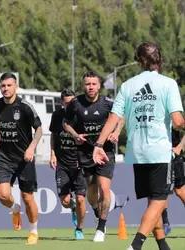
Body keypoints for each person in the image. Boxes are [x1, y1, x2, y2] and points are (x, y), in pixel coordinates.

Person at [92, 42, 184, 250]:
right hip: (159, 152)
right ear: (159, 59)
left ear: (139, 61)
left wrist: (98, 144)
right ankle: (136, 245)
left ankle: (163, 246)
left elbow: (113, 119)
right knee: (159, 202)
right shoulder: (168, 84)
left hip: (137, 154)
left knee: (153, 201)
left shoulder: (127, 85)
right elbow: (178, 122)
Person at [63, 71, 124, 242]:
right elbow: (66, 123)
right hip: (85, 153)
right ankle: (98, 211)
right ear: (84, 85)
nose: (90, 87)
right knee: (91, 193)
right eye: (87, 84)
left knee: (104, 189)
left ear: (99, 86)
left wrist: (116, 132)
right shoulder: (75, 104)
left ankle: (101, 227)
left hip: (106, 151)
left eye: (93, 84)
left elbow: (121, 117)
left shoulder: (107, 104)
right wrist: (75, 135)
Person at [0, 72, 42, 245]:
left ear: (16, 87)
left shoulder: (25, 106)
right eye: (3, 86)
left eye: (9, 85)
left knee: (28, 197)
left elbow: (39, 130)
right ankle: (15, 209)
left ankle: (34, 231)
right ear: (0, 88)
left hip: (24, 159)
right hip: (3, 158)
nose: (6, 89)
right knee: (2, 194)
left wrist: (31, 148)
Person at [49, 88, 87, 240]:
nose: (70, 106)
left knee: (80, 199)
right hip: (62, 164)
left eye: (72, 102)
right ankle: (72, 209)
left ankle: (79, 229)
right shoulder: (57, 115)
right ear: (61, 103)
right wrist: (52, 153)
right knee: (65, 202)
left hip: (79, 164)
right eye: (66, 103)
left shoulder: (81, 115)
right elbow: (53, 134)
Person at [162, 130, 185, 235]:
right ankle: (165, 223)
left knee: (180, 191)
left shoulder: (176, 115)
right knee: (161, 191)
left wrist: (180, 146)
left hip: (174, 155)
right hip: (157, 157)